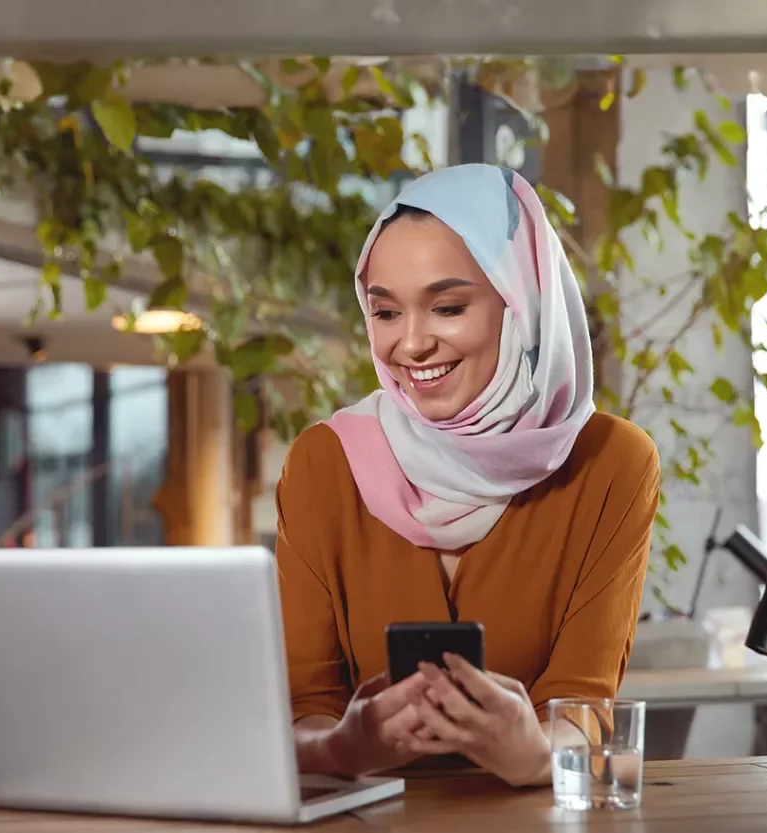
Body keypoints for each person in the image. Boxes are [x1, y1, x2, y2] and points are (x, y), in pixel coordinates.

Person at [276, 164, 661, 787]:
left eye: (448, 307)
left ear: (523, 301)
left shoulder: (612, 463)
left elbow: (581, 706)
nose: (412, 344)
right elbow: (303, 712)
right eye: (386, 313)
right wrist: (346, 746)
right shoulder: (325, 464)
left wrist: (536, 757)